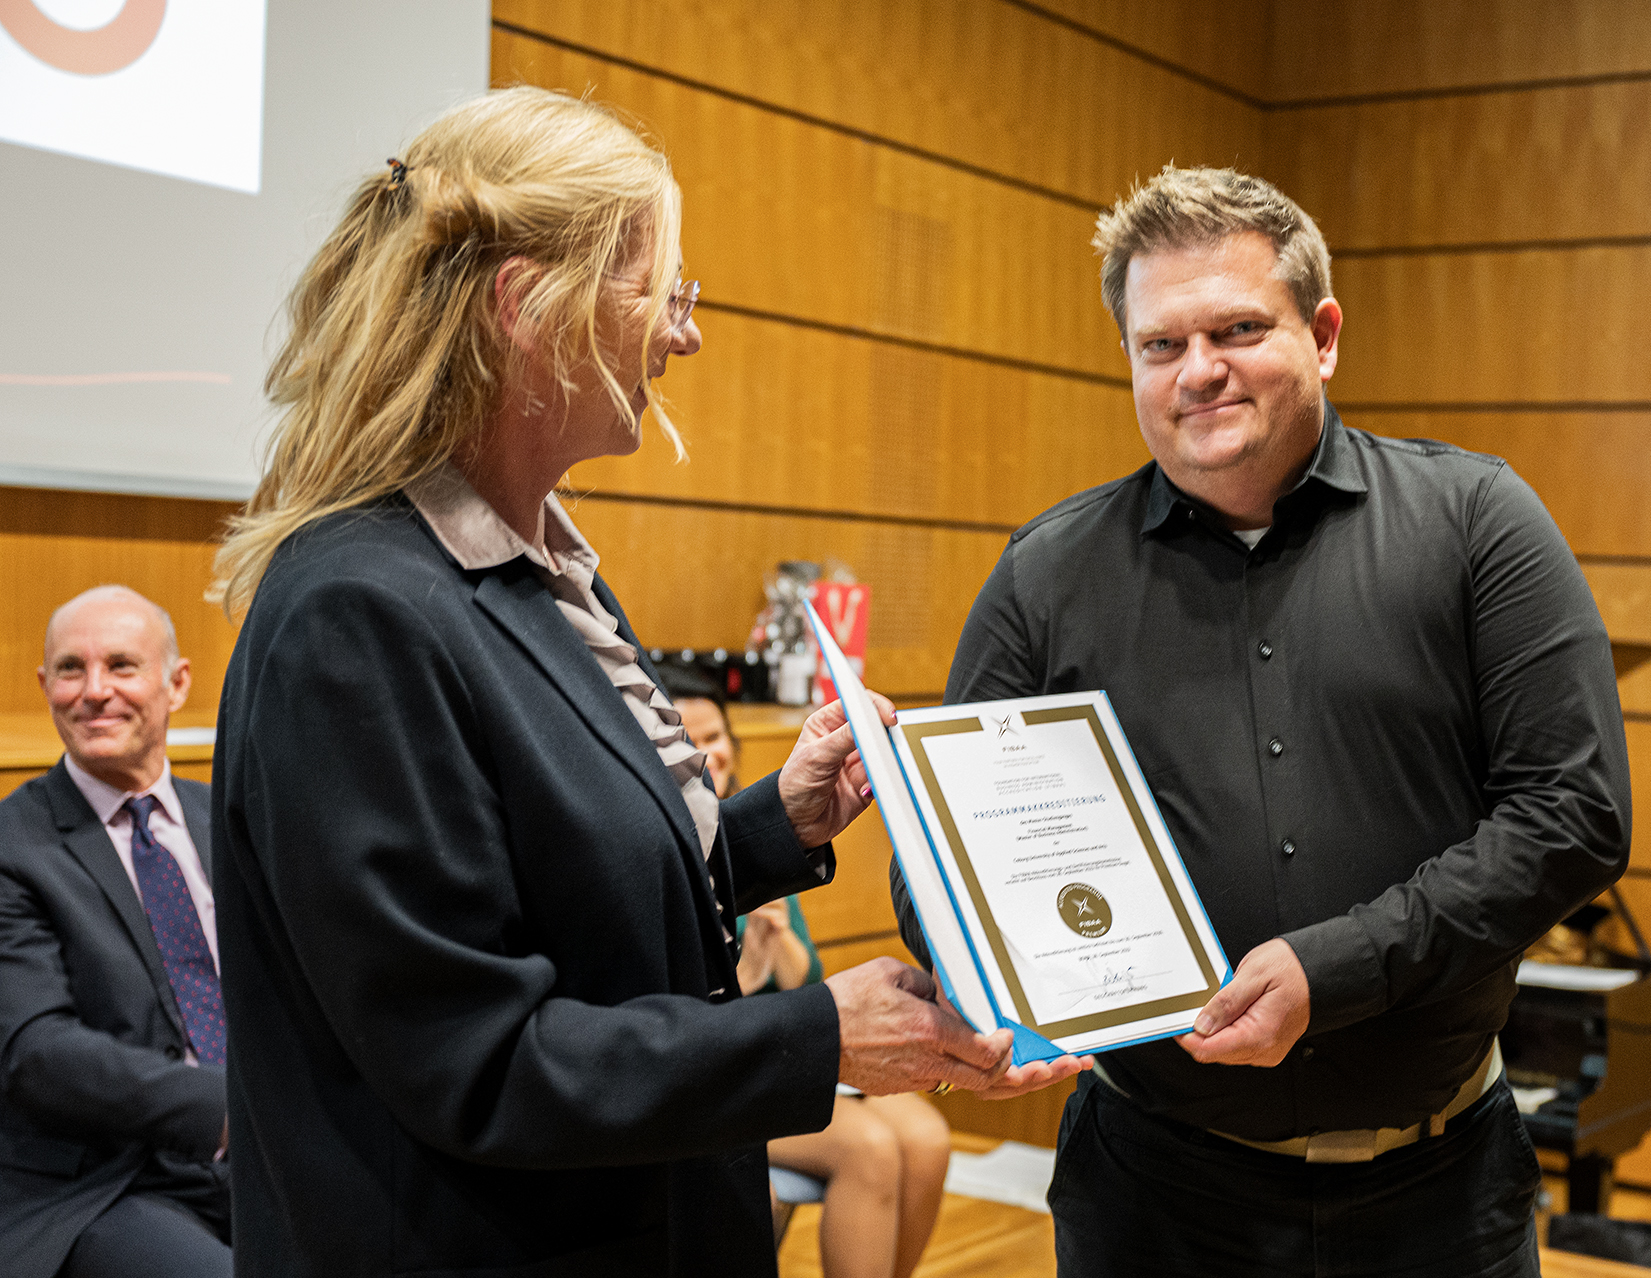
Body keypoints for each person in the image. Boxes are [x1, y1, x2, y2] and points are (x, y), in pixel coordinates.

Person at [205, 87, 1077, 1278]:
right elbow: (481, 1061)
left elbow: (576, 896)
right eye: (664, 290)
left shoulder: (536, 560)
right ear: (529, 306)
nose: (687, 334)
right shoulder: (356, 614)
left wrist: (778, 821)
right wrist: (818, 1033)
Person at [893, 165, 1631, 1276]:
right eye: (1160, 345)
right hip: (1156, 1197)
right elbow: (945, 860)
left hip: (1437, 1202)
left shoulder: (1480, 523)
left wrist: (1334, 969)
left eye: (1238, 329)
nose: (1199, 373)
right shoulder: (1045, 576)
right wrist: (990, 976)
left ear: (1323, 334)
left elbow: (1574, 815)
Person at [658, 667, 952, 1278]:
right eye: (693, 737)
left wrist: (777, 936)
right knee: (870, 1150)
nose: (709, 751)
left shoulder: (747, 838)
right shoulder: (666, 846)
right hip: (725, 1068)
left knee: (926, 1139)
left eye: (718, 736)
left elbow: (806, 976)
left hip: (785, 1042)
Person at [0, 586, 231, 1278]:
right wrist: (223, 1110)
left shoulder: (228, 816)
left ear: (176, 683)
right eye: (71, 669)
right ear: (45, 686)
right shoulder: (12, 846)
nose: (95, 691)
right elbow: (36, 1053)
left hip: (266, 1150)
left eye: (122, 666)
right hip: (100, 1184)